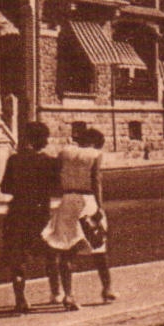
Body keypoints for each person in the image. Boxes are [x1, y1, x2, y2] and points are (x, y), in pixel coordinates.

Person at [43, 127, 115, 308]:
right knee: (98, 245)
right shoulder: (95, 154)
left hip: (68, 199)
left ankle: (68, 295)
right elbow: (96, 181)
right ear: (96, 143)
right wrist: (100, 206)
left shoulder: (65, 152)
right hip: (87, 200)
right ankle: (107, 289)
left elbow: (55, 176)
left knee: (67, 248)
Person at [0, 121, 59, 313]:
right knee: (51, 252)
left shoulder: (14, 160)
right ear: (41, 139)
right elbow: (56, 186)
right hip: (40, 212)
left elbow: (5, 188)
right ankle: (55, 293)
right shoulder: (48, 161)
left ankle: (20, 299)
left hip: (17, 211)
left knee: (18, 257)